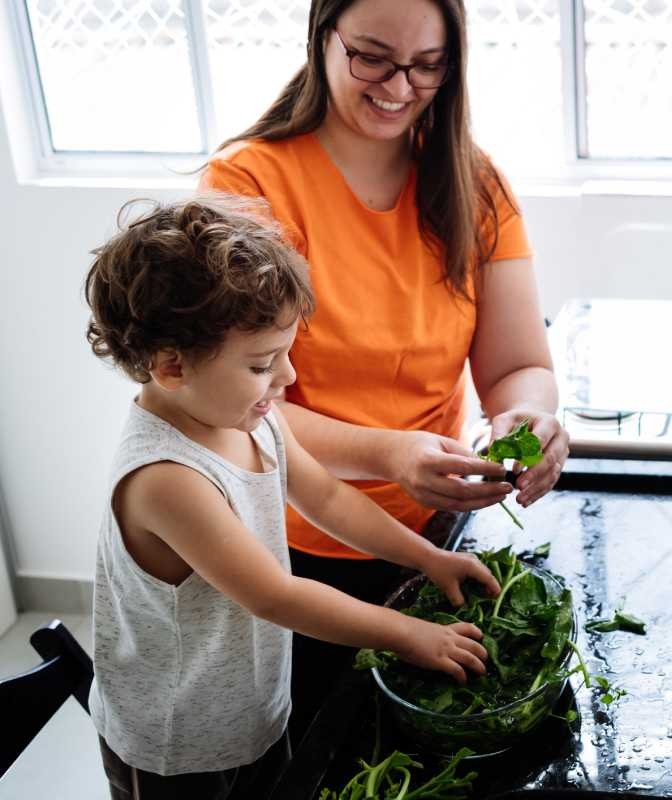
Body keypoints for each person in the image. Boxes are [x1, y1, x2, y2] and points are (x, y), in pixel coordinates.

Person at [200, 0, 569, 736]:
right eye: (372, 56)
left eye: (428, 66)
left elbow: (519, 363)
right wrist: (386, 453)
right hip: (298, 554)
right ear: (323, 36)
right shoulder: (250, 185)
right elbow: (236, 405)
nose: (400, 86)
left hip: (435, 538)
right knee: (328, 752)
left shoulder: (475, 183)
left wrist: (528, 415)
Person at [83, 195, 501, 800]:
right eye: (262, 364)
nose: (288, 379)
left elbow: (327, 500)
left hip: (252, 709)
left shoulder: (251, 415)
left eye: (286, 354)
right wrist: (408, 632)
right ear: (172, 367)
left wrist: (426, 558)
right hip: (180, 745)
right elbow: (276, 596)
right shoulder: (168, 478)